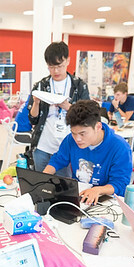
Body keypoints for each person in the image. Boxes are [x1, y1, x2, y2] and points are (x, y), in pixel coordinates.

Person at [43, 100, 132, 203]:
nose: (77, 139)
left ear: (98, 127)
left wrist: (97, 190)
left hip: (107, 200)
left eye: (82, 134)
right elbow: (58, 159)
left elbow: (120, 184)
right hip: (80, 197)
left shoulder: (120, 147)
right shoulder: (70, 140)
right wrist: (43, 178)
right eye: (73, 133)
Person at [26, 41, 90, 175]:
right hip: (43, 146)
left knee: (65, 185)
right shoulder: (41, 86)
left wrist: (68, 107)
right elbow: (32, 119)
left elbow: (87, 117)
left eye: (59, 66)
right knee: (41, 182)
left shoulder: (79, 86)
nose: (55, 71)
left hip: (69, 147)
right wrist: (36, 103)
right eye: (51, 67)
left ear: (68, 61)